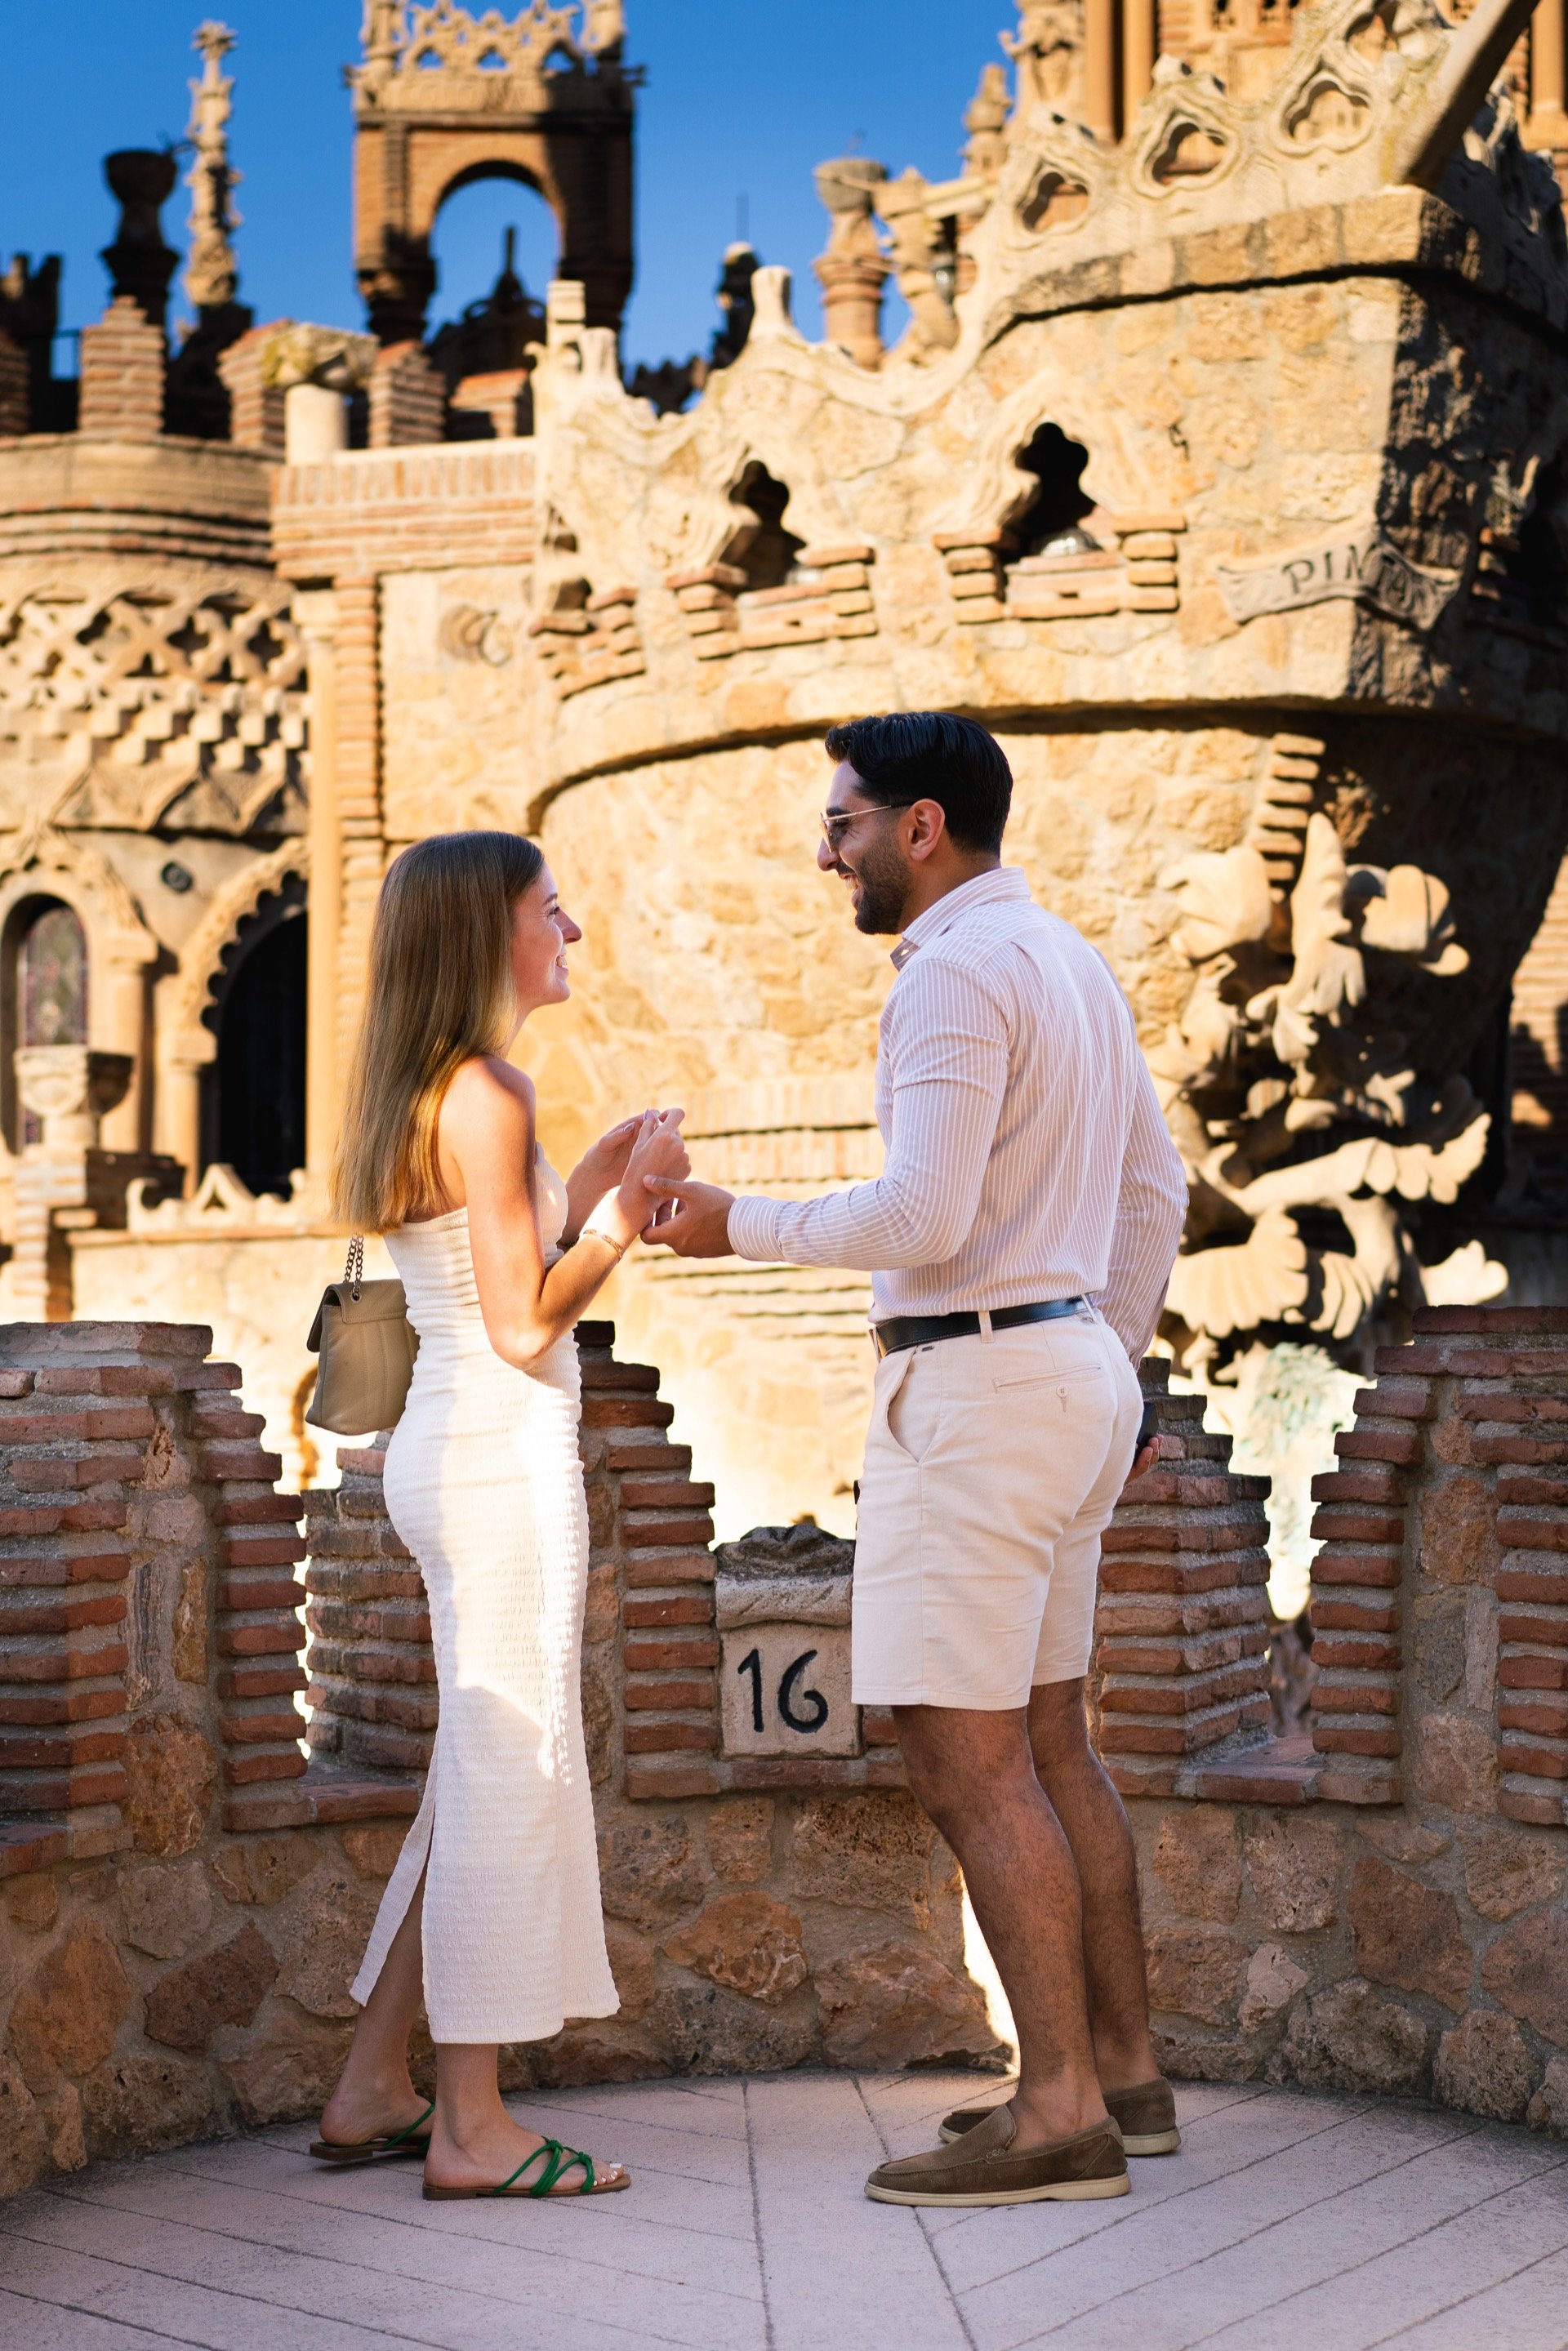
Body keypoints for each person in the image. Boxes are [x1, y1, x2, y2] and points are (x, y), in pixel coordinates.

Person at [644, 713, 1188, 2209]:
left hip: (983, 1377)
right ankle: (1126, 2081)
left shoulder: (951, 970)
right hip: (1067, 1366)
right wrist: (1104, 1361)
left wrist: (730, 1218)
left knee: (964, 1754)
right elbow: (1160, 1188)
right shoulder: (1072, 961)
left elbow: (920, 1217)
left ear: (922, 827)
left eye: (843, 824)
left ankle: (1060, 2111)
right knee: (1055, 1741)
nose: (829, 853)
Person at [314, 830, 688, 2201]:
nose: (572, 927)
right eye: (550, 909)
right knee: (509, 1777)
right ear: (491, 935)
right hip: (500, 1456)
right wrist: (629, 1222)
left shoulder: (433, 1091)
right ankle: (474, 2128)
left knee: (472, 1770)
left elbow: (486, 1273)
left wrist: (585, 1183)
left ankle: (371, 2085)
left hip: (447, 1453)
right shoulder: (488, 1089)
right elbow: (529, 1320)